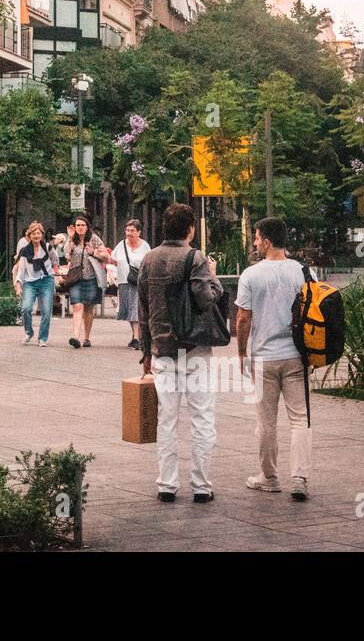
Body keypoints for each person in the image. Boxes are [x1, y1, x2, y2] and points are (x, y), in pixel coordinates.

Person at [138, 202, 224, 504]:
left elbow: (143, 309)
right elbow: (205, 299)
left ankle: (167, 485)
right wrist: (214, 277)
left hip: (162, 350)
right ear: (190, 229)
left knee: (166, 419)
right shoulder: (195, 257)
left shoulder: (149, 259)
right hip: (194, 349)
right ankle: (201, 486)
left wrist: (146, 351)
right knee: (202, 418)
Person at [235, 217, 311, 502]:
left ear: (266, 242)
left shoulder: (251, 275)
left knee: (266, 421)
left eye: (256, 238)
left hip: (264, 358)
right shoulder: (304, 272)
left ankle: (269, 477)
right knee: (300, 419)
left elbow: (243, 318)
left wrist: (242, 352)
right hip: (296, 356)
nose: (254, 242)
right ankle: (300, 478)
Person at [63, 215, 109, 349]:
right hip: (76, 278)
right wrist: (70, 239)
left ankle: (86, 338)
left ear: (87, 227)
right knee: (77, 306)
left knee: (88, 308)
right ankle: (75, 337)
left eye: (83, 225)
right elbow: (67, 256)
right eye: (78, 225)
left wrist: (93, 252)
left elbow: (106, 257)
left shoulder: (94, 239)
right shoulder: (73, 240)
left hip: (91, 278)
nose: (80, 227)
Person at [111, 219, 151, 350]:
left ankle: (136, 338)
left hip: (139, 282)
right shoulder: (121, 245)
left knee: (136, 309)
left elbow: (148, 263)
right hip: (124, 281)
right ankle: (136, 335)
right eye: (127, 230)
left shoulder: (145, 246)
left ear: (139, 232)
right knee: (129, 310)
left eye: (132, 230)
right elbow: (113, 259)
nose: (129, 233)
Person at [14, 222, 56, 346]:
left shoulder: (47, 247)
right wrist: (18, 285)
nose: (36, 236)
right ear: (29, 235)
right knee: (26, 308)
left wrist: (54, 270)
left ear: (42, 235)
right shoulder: (25, 251)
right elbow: (21, 270)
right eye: (33, 234)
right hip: (30, 282)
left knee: (46, 311)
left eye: (38, 233)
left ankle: (42, 338)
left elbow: (55, 260)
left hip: (46, 280)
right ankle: (29, 332)